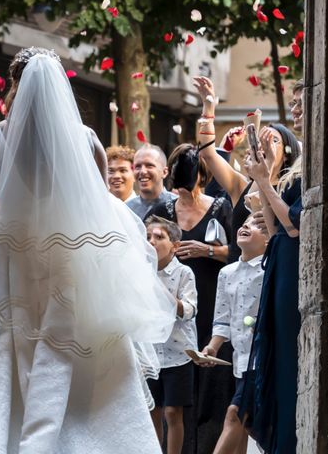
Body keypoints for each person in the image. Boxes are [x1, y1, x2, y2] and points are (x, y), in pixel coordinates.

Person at [0, 47, 177, 453]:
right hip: (70, 266)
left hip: (12, 265)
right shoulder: (88, 142)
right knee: (70, 360)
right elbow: (101, 217)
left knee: (6, 360)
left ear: (16, 87)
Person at [145, 143, 234, 454]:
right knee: (168, 400)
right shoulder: (160, 213)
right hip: (168, 315)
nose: (182, 194)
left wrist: (206, 250)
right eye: (178, 188)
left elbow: (238, 253)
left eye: (188, 185)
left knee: (210, 385)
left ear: (201, 178)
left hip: (208, 301)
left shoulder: (220, 208)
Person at [240, 133, 303, 453]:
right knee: (274, 348)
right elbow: (275, 228)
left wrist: (264, 181)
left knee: (287, 356)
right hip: (279, 261)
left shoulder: (311, 167)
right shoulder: (290, 173)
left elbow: (294, 226)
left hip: (292, 267)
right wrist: (262, 178)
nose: (296, 109)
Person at [192, 76, 301, 262]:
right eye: (260, 140)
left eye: (273, 140)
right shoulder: (241, 185)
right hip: (237, 271)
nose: (264, 145)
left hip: (270, 268)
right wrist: (208, 107)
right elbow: (208, 154)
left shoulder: (290, 188)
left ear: (286, 154)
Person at [198, 216, 267, 454]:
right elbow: (222, 319)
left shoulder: (269, 270)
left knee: (234, 415)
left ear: (269, 241)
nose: (247, 225)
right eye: (245, 222)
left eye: (258, 225)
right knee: (245, 424)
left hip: (261, 359)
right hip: (240, 361)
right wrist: (212, 348)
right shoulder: (226, 272)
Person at [145, 216, 198, 454]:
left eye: (158, 237)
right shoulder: (140, 271)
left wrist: (162, 293)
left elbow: (188, 311)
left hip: (178, 352)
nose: (151, 241)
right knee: (152, 410)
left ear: (175, 245)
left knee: (172, 411)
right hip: (149, 352)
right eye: (147, 237)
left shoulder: (184, 272)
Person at [126, 144, 176, 219]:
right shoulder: (127, 209)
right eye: (138, 166)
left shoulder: (178, 206)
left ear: (164, 172)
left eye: (149, 165)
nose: (142, 171)